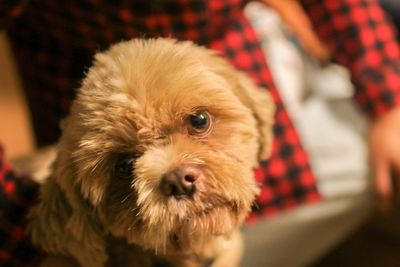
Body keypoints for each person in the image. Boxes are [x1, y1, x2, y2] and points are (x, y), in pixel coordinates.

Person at [1, 0, 400, 266]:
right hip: (79, 90)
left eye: (197, 125)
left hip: (235, 62)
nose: (180, 174)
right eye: (126, 166)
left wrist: (388, 97)